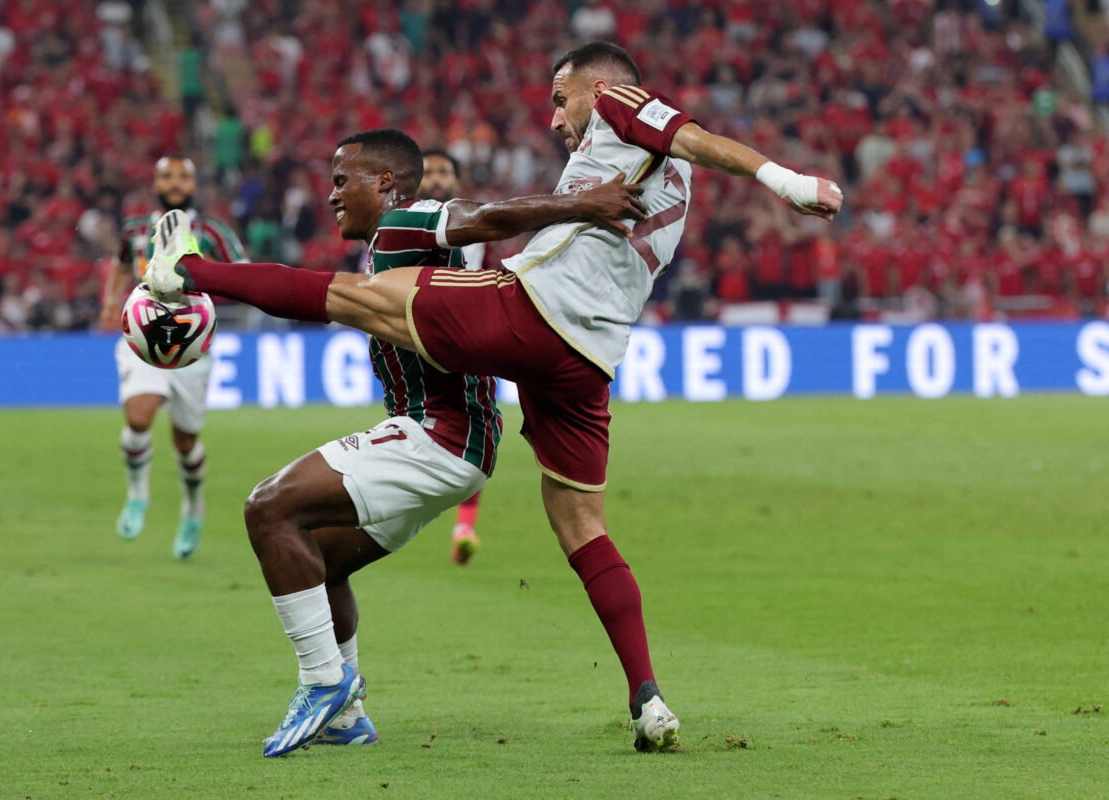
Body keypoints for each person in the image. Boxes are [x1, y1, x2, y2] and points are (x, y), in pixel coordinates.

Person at [145, 42, 843, 751]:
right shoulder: (666, 181)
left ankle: (192, 271)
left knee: (353, 298)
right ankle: (647, 697)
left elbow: (692, 135)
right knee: (581, 524)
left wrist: (788, 182)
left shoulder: (616, 103)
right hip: (590, 359)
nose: (554, 117)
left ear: (596, 88)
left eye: (559, 97)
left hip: (535, 312)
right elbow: (678, 155)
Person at [157, 130, 644, 756]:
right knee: (318, 558)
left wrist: (196, 272)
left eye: (342, 181)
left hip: (438, 435)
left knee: (268, 508)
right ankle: (345, 717)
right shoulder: (396, 244)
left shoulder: (404, 225)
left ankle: (324, 683)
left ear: (385, 183)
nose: (331, 195)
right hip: (457, 443)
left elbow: (483, 215)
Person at [98, 156, 246, 560]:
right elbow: (119, 266)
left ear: (195, 183)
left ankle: (193, 509)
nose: (176, 183)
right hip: (142, 337)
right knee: (138, 417)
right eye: (168, 176)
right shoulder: (134, 229)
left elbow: (244, 271)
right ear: (155, 181)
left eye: (184, 176)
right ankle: (137, 494)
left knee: (185, 442)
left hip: (192, 345)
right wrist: (112, 301)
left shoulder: (212, 231)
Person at [419, 148, 485, 564]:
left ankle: (465, 525)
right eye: (430, 172)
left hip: (463, 335)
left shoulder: (471, 220)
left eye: (445, 171)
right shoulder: (400, 222)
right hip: (414, 337)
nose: (438, 178)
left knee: (473, 428)